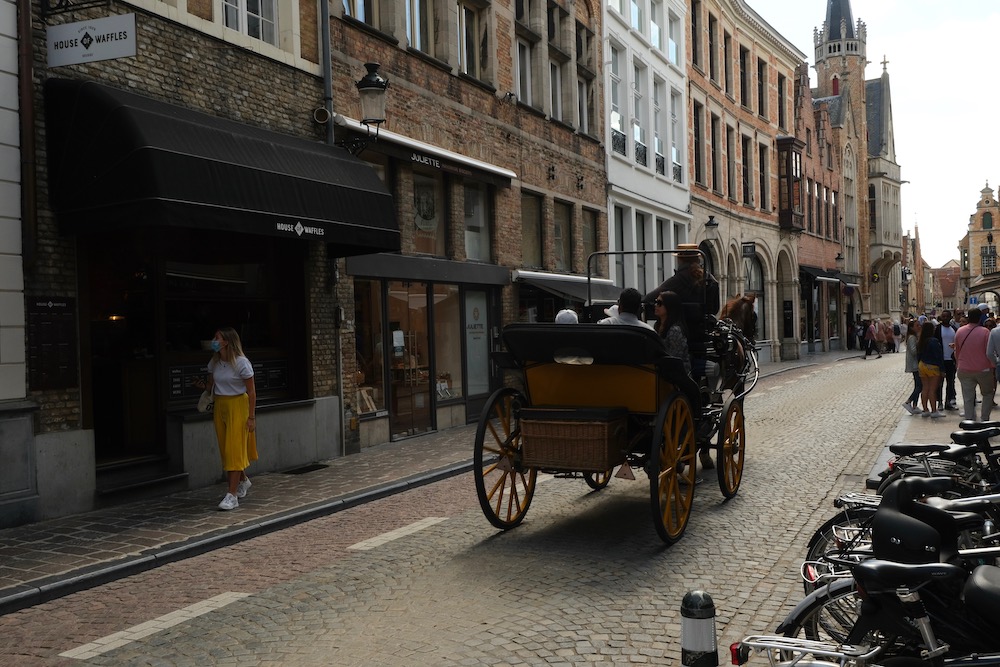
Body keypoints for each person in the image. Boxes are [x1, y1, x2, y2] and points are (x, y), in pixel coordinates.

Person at [642, 244, 720, 379]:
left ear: (680, 260)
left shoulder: (676, 281)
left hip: (674, 327)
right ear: (697, 259)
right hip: (701, 334)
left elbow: (648, 299)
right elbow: (715, 309)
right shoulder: (710, 280)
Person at [202, 327, 258, 511]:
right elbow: (211, 384)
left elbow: (251, 392)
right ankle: (243, 480)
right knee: (226, 449)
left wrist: (251, 417)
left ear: (227, 341)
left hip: (238, 405)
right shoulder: (215, 362)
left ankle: (232, 494)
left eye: (217, 338)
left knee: (234, 449)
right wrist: (203, 388)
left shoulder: (242, 363)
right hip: (221, 405)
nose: (214, 341)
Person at [954, 306, 995, 422]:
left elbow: (956, 351)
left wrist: (959, 363)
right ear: (979, 318)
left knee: (968, 397)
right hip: (983, 369)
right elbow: (989, 351)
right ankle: (984, 419)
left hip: (964, 369)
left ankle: (969, 420)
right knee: (987, 394)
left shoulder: (960, 331)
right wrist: (993, 364)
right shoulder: (985, 332)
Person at [654, 291, 691, 374]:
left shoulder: (675, 330)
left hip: (675, 376)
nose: (656, 305)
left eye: (659, 303)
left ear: (669, 306)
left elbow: (675, 358)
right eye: (656, 302)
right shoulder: (657, 326)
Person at [916, 320, 944, 418]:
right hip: (932, 366)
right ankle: (934, 411)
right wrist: (942, 369)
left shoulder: (920, 341)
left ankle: (925, 409)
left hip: (922, 365)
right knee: (932, 389)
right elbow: (938, 356)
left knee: (925, 388)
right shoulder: (934, 341)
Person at [935, 310, 958, 410]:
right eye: (943, 316)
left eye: (946, 316)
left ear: (950, 317)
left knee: (951, 382)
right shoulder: (938, 329)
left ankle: (948, 402)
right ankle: (939, 402)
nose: (945, 318)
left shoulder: (954, 329)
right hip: (941, 359)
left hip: (951, 359)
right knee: (939, 382)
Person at [901, 318, 921, 415]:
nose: (919, 327)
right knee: (920, 385)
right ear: (912, 328)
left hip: (915, 364)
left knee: (918, 385)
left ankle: (914, 406)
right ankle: (908, 402)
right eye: (917, 325)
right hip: (915, 364)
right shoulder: (912, 338)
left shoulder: (913, 336)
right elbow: (913, 351)